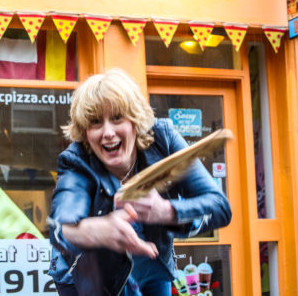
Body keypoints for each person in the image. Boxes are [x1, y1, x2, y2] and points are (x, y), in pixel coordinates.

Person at [48, 68, 232, 296]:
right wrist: (95, 230)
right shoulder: (76, 160)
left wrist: (167, 211)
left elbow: (220, 208)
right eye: (95, 122)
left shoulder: (163, 139)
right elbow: (60, 227)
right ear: (86, 132)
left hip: (152, 268)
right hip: (90, 277)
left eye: (117, 118)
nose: (108, 132)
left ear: (135, 120)